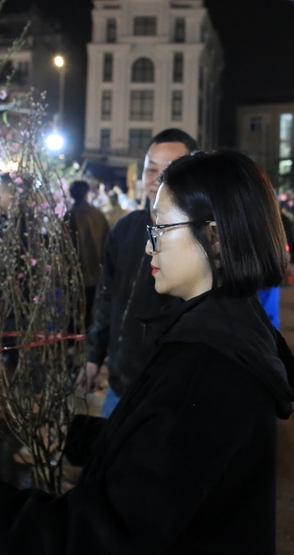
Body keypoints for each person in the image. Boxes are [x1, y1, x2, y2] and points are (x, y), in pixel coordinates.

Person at [0, 150, 294, 554]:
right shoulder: (226, 334)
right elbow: (165, 465)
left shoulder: (209, 369)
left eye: (162, 227)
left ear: (216, 236)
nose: (149, 244)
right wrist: (76, 435)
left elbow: (92, 536)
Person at [83, 128, 197, 417]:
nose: (155, 179)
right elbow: (106, 297)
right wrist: (94, 356)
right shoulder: (124, 229)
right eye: (151, 168)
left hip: (169, 395)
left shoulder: (199, 242)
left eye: (170, 170)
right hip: (118, 388)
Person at [67, 180, 109, 329]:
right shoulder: (97, 215)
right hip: (95, 272)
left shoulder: (69, 216)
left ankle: (72, 343)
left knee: (73, 311)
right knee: (90, 310)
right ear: (86, 194)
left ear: (70, 194)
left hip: (74, 274)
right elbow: (107, 242)